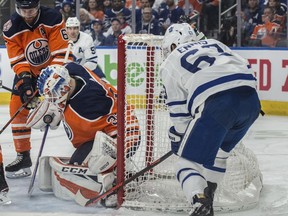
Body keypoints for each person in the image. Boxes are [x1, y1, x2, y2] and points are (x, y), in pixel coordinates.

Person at [160, 23, 261, 215]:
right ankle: (209, 197)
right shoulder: (215, 43)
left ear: (173, 45)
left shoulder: (170, 61)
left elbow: (180, 116)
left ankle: (200, 201)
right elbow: (243, 67)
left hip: (219, 104)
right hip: (252, 102)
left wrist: (181, 141)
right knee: (219, 155)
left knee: (185, 162)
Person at [26, 63, 141, 205]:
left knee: (89, 166)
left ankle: (117, 185)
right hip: (108, 131)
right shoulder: (72, 69)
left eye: (53, 95)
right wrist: (54, 105)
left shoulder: (86, 105)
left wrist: (56, 112)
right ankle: (119, 169)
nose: (53, 99)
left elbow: (76, 120)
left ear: (65, 88)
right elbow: (64, 67)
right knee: (80, 163)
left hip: (124, 136)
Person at [2, 0, 72, 179]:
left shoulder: (53, 18)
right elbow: (18, 60)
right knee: (17, 106)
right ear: (18, 9)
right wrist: (25, 81)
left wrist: (50, 79)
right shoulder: (11, 28)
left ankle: (84, 146)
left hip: (58, 70)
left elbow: (60, 53)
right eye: (24, 11)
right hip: (31, 74)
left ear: (38, 6)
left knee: (71, 107)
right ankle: (23, 156)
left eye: (32, 9)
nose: (29, 14)